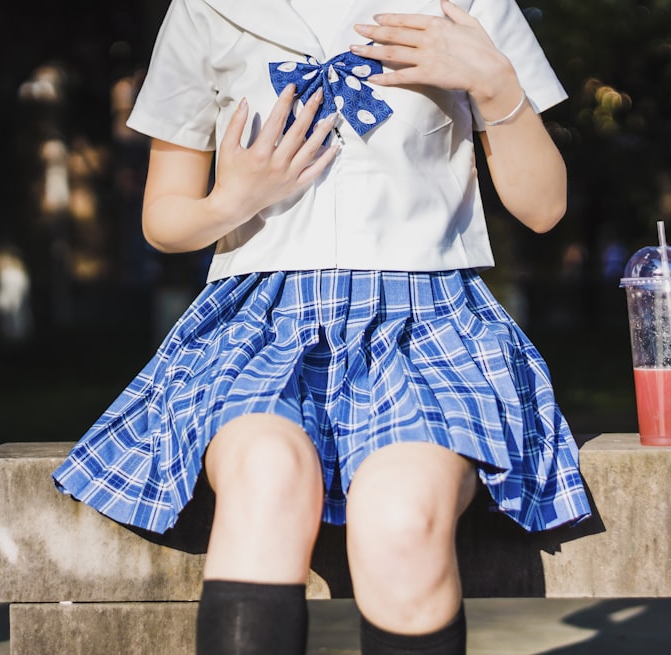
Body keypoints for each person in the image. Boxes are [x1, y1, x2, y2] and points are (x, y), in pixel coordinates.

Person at [53, 0, 591, 653]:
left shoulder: (467, 5)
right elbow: (163, 219)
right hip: (261, 322)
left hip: (426, 324)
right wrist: (234, 199)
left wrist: (496, 83)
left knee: (401, 517)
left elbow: (544, 208)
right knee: (267, 474)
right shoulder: (206, 7)